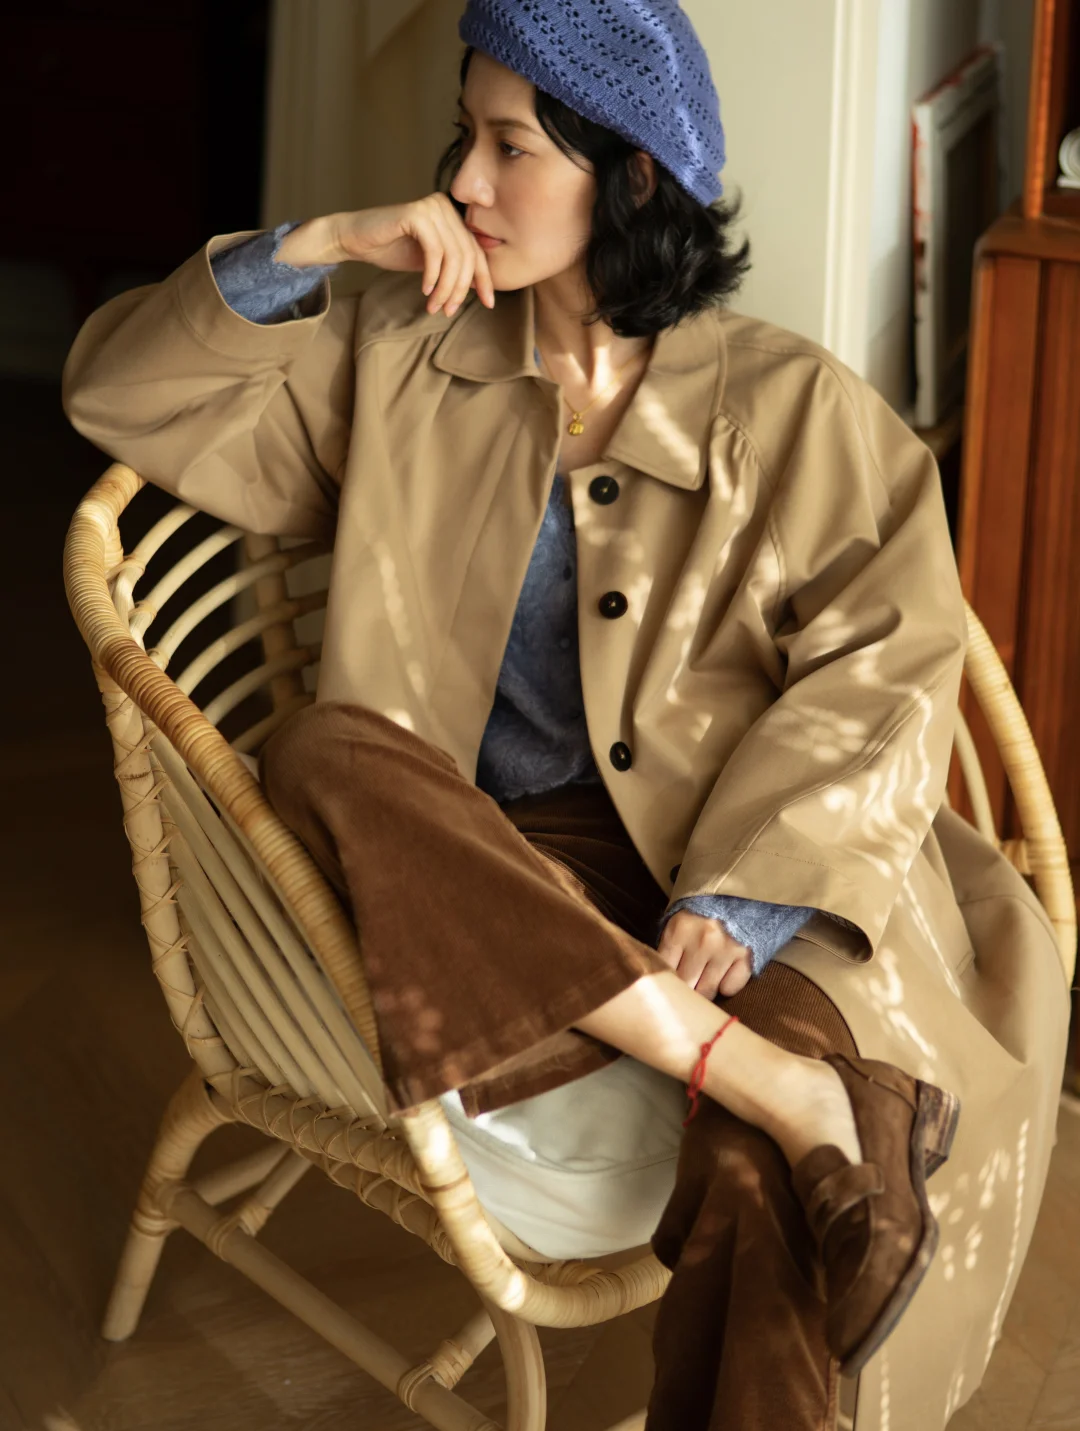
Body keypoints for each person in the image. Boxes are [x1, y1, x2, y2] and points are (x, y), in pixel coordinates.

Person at [62, 3, 1069, 1428]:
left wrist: (745, 890)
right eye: (465, 136)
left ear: (632, 177)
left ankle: (774, 1109)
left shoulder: (790, 405)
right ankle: (770, 1081)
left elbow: (891, 655)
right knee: (326, 752)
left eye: (511, 146)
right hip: (502, 863)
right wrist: (324, 241)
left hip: (736, 861)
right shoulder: (401, 354)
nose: (466, 181)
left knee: (754, 1175)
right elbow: (119, 392)